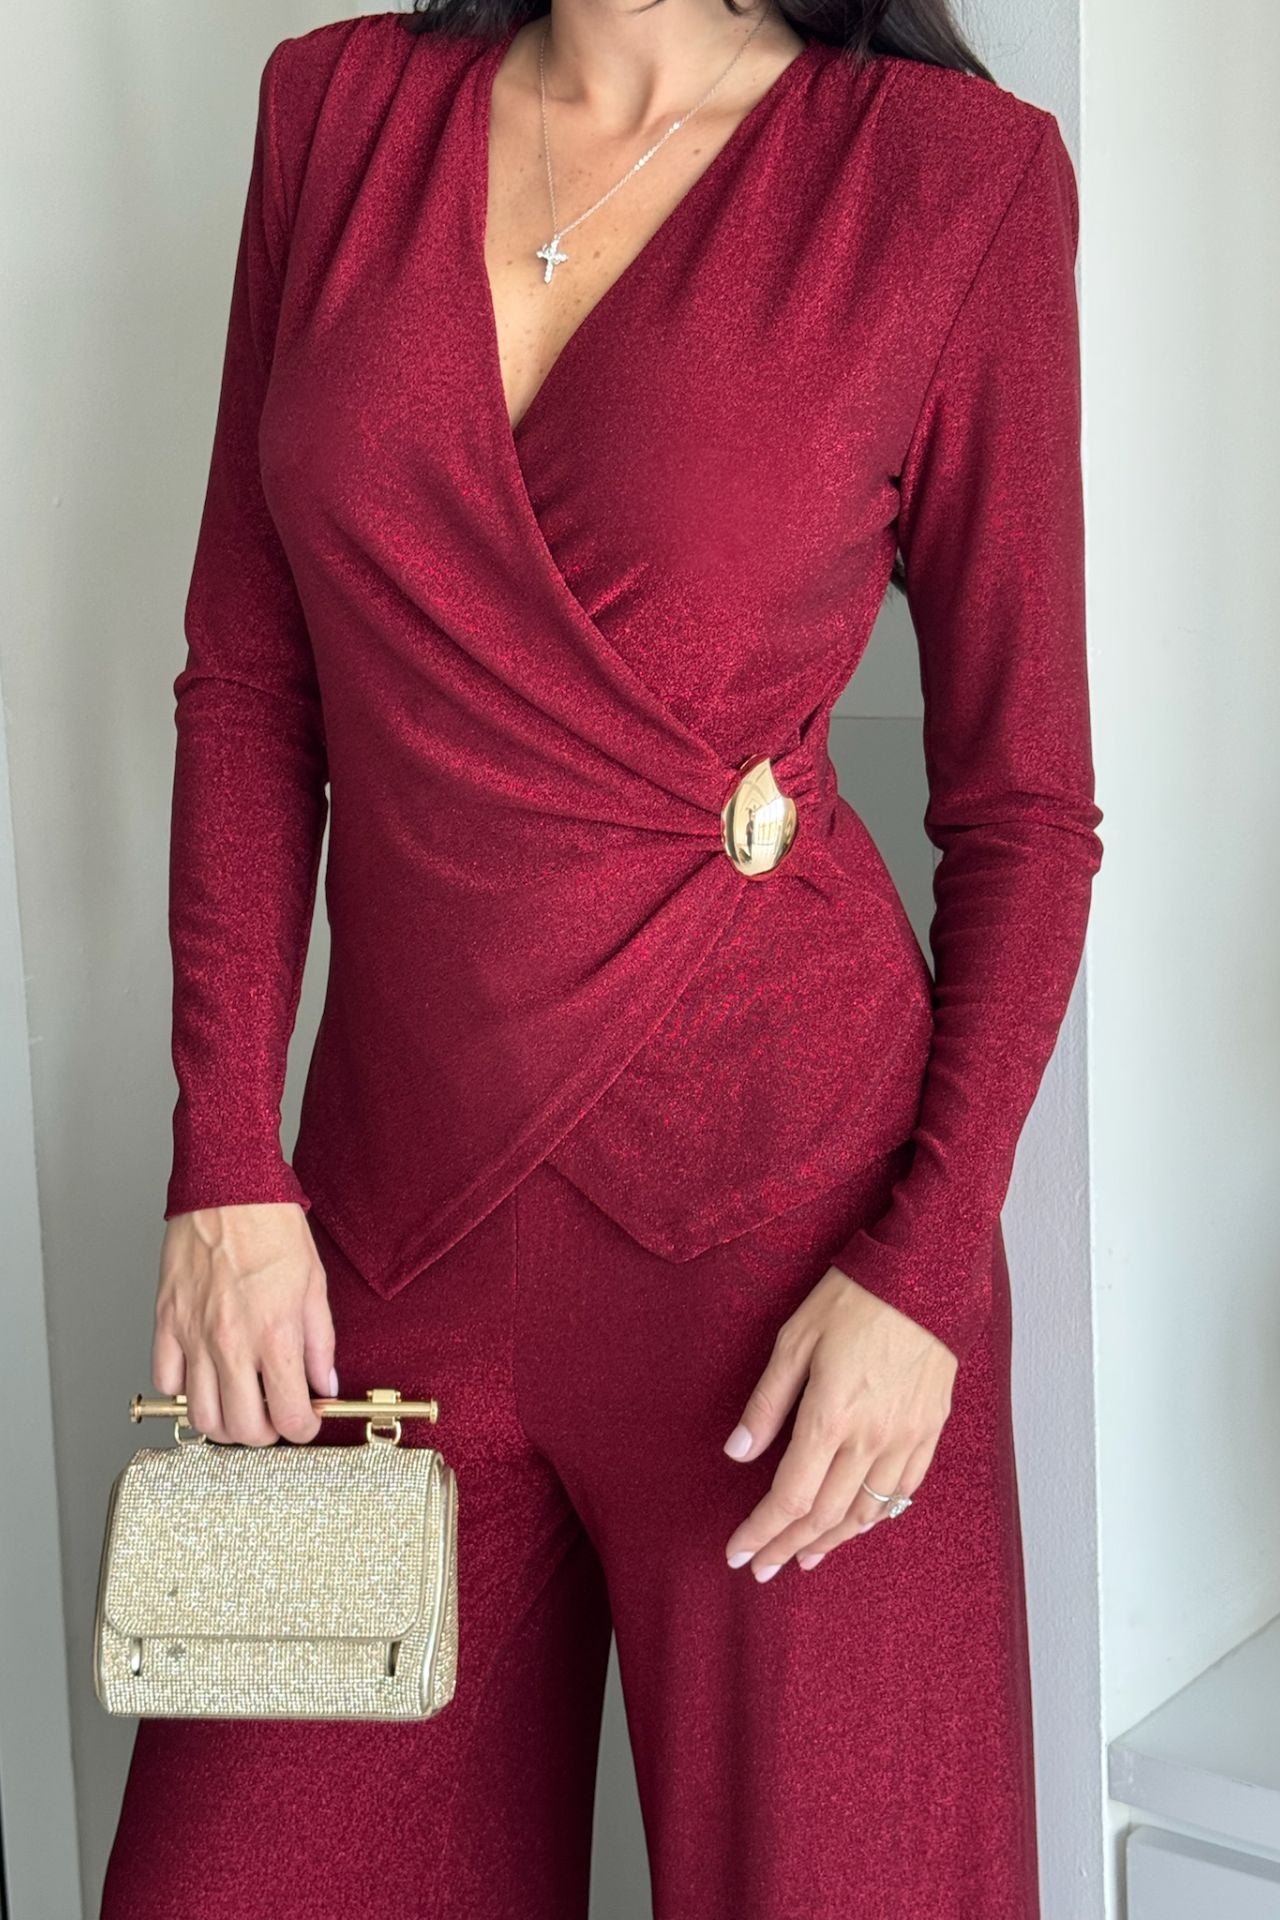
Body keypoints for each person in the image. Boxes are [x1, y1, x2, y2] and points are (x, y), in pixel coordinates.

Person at [100, 0, 1104, 1914]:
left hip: (792, 1268)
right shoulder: (336, 110)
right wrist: (224, 1154)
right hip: (367, 1250)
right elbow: (247, 678)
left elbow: (1029, 811)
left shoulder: (950, 181)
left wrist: (922, 1266)